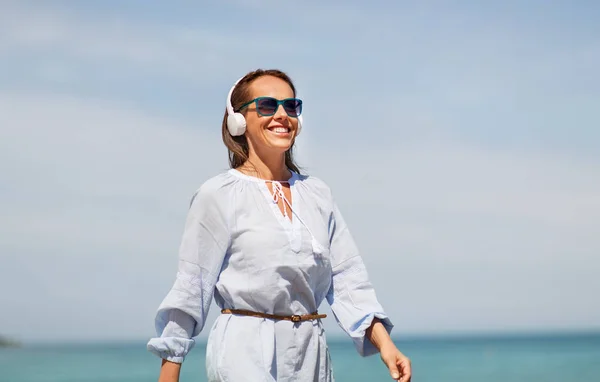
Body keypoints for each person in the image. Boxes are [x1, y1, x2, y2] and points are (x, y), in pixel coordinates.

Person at [147, 69, 412, 382]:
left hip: (311, 352)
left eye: (291, 106)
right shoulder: (217, 195)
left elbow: (347, 280)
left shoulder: (318, 194)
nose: (283, 115)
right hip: (244, 350)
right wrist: (170, 369)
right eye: (268, 106)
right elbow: (192, 287)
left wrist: (386, 345)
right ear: (238, 120)